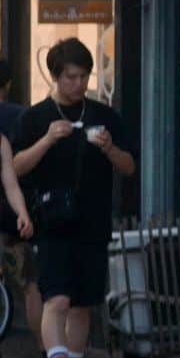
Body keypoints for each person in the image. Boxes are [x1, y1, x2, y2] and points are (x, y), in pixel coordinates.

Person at [14, 39, 135, 358]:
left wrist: (109, 148)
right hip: (51, 223)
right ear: (55, 76)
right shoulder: (35, 118)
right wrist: (47, 140)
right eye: (71, 76)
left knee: (83, 304)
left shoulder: (104, 116)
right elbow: (14, 166)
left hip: (92, 221)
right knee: (57, 299)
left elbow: (129, 166)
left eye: (84, 76)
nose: (78, 83)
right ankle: (55, 354)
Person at [0, 58, 41, 350]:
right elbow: (13, 181)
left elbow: (10, 177)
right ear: (8, 84)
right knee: (30, 285)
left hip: (13, 212)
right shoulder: (22, 117)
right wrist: (23, 211)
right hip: (10, 217)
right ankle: (44, 348)